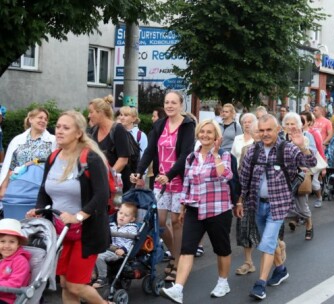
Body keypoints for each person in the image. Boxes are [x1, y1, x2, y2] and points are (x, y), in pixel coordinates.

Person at [29, 110, 111, 304]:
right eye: (58, 126)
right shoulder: (53, 157)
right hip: (63, 232)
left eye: (66, 128)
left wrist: (79, 216)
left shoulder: (90, 159)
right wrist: (39, 209)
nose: (59, 131)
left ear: (78, 133)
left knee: (76, 285)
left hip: (88, 232)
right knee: (65, 283)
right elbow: (44, 190)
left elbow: (102, 195)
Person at [237, 114, 316, 300]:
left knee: (267, 243)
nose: (265, 134)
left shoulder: (288, 149)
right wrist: (240, 201)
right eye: (261, 130)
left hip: (278, 206)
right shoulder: (252, 151)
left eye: (269, 130)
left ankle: (260, 284)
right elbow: (243, 179)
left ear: (278, 129)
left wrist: (302, 147)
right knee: (269, 243)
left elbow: (311, 164)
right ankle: (280, 269)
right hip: (256, 205)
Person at [158, 119, 234, 303]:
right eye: (202, 132)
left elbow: (225, 176)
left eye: (210, 132)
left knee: (222, 249)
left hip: (218, 210)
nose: (205, 135)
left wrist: (215, 154)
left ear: (216, 137)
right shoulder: (191, 157)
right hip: (194, 208)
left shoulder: (223, 155)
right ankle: (178, 288)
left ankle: (223, 282)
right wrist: (183, 206)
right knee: (187, 249)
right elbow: (187, 183)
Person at [132, 92, 196, 282]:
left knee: (177, 221)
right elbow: (150, 150)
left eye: (173, 102)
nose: (169, 105)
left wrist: (169, 175)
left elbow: (186, 154)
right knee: (159, 221)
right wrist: (139, 171)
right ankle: (173, 253)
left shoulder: (187, 125)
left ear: (180, 104)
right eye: (167, 102)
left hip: (179, 179)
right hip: (161, 180)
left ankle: (177, 262)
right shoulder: (159, 124)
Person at [0, 108, 56, 200]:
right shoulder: (17, 140)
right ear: (31, 119)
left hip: (40, 190)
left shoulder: (53, 141)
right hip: (17, 189)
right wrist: (4, 188)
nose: (43, 121)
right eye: (40, 117)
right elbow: (9, 166)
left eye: (46, 119)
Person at [88, 96, 132, 193]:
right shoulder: (92, 131)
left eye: (91, 112)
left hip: (118, 187)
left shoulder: (118, 129)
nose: (89, 116)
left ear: (101, 112)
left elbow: (123, 160)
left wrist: (106, 177)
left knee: (116, 208)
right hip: (99, 185)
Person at [282, 113, 315, 240]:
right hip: (283, 176)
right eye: (288, 124)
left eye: (293, 124)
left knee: (302, 207)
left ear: (299, 125)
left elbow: (311, 158)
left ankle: (309, 225)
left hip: (299, 176)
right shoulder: (280, 138)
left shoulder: (305, 137)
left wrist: (301, 146)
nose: (290, 127)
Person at [235, 122, 261, 276]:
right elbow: (240, 175)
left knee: (266, 231)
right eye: (256, 131)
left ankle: (277, 259)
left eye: (261, 131)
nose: (259, 134)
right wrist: (239, 200)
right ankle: (248, 262)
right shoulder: (246, 150)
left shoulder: (276, 149)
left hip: (267, 197)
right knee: (244, 229)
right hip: (248, 195)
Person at [92, 202, 138, 289]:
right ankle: (93, 274)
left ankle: (102, 278)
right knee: (90, 252)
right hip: (108, 248)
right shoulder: (111, 225)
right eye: (120, 213)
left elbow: (131, 242)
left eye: (126, 215)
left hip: (118, 251)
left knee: (99, 257)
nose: (122, 216)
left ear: (132, 219)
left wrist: (124, 250)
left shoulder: (132, 228)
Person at [0, 218, 31, 304]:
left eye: (12, 242)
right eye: (2, 241)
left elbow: (15, 284)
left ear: (18, 244)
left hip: (8, 299)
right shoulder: (2, 258)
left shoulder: (21, 261)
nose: (7, 245)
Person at [301, 111, 326, 208]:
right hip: (301, 164)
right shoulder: (295, 133)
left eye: (303, 120)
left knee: (314, 183)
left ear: (308, 122)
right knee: (303, 185)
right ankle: (303, 208)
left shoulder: (313, 133)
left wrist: (324, 167)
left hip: (312, 161)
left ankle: (319, 197)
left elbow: (319, 148)